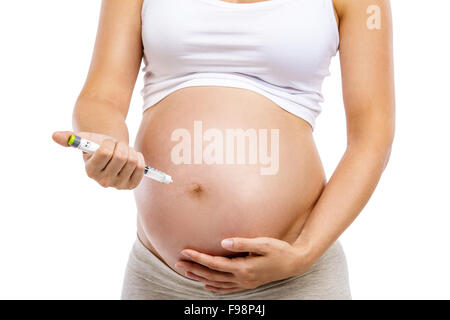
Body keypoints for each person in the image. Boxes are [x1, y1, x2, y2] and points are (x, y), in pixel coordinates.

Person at [52, 0, 395, 299]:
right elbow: (102, 96)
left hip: (294, 281)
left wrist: (304, 253)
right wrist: (109, 145)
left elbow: (371, 137)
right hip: (162, 282)